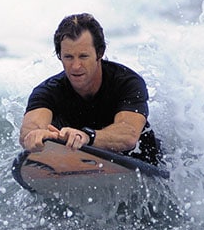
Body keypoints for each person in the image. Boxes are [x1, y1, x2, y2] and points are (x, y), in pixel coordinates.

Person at [19, 13, 162, 165]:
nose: (75, 66)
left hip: (141, 162)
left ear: (99, 53)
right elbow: (30, 129)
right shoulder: (48, 91)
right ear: (59, 55)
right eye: (68, 57)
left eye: (83, 56)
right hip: (80, 162)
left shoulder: (127, 82)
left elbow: (129, 135)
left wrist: (87, 136)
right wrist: (35, 136)